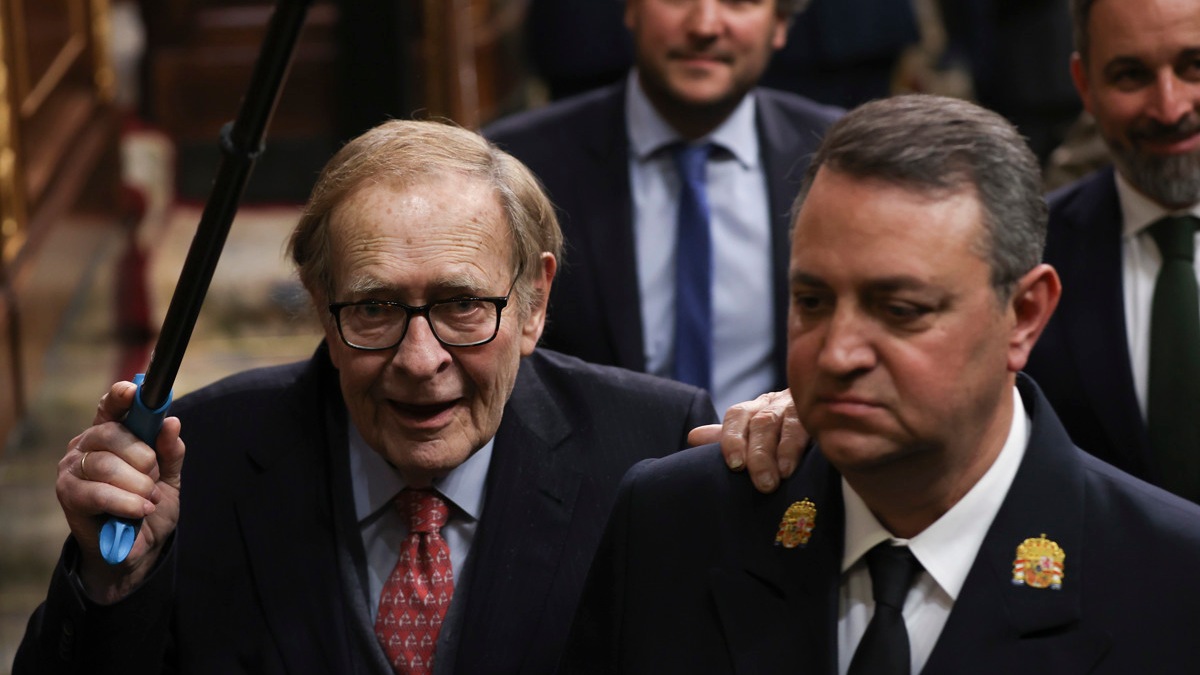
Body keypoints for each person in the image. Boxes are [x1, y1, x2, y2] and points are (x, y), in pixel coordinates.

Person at [13, 120, 797, 675]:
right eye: (375, 308)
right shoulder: (202, 455)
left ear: (532, 301)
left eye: (463, 305)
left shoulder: (650, 444)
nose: (420, 361)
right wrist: (113, 584)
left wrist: (816, 470)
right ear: (321, 304)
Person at [561, 94, 1200, 674]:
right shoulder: (671, 527)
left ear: (1025, 315)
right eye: (811, 301)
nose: (837, 353)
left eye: (900, 311)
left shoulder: (1170, 580)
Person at [486, 0, 842, 413]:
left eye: (738, 1)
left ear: (780, 23)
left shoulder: (837, 157)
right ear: (631, 9)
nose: (705, 25)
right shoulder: (518, 166)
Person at [1025, 0, 1200, 502]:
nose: (1170, 108)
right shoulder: (1027, 253)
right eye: (1131, 75)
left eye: (1194, 66)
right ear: (1085, 85)